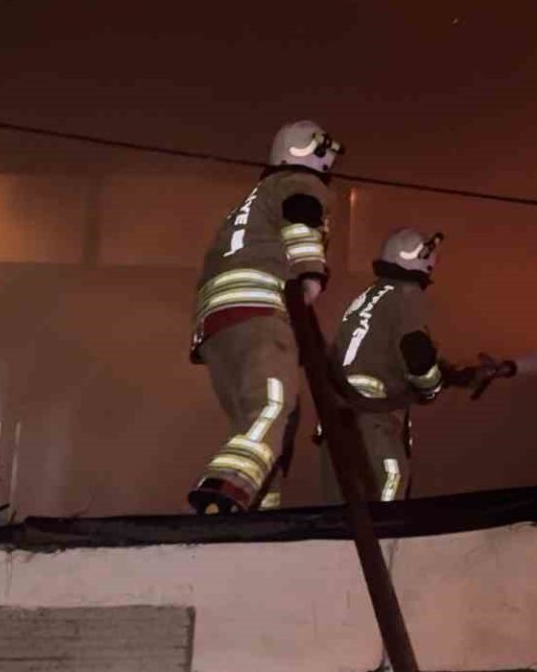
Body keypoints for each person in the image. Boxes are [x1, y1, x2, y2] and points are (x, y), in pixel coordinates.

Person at [186, 120, 341, 514]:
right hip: (259, 312)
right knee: (273, 407)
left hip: (217, 328)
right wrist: (310, 274)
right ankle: (224, 489)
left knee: (263, 425)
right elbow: (302, 218)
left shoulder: (254, 200)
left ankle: (257, 513)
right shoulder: (299, 184)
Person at [323, 228, 509, 503]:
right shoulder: (408, 293)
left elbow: (391, 353)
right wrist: (431, 388)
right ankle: (386, 532)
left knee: (343, 504)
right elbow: (417, 356)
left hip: (337, 417)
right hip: (372, 414)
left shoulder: (371, 296)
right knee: (391, 481)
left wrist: (460, 375)